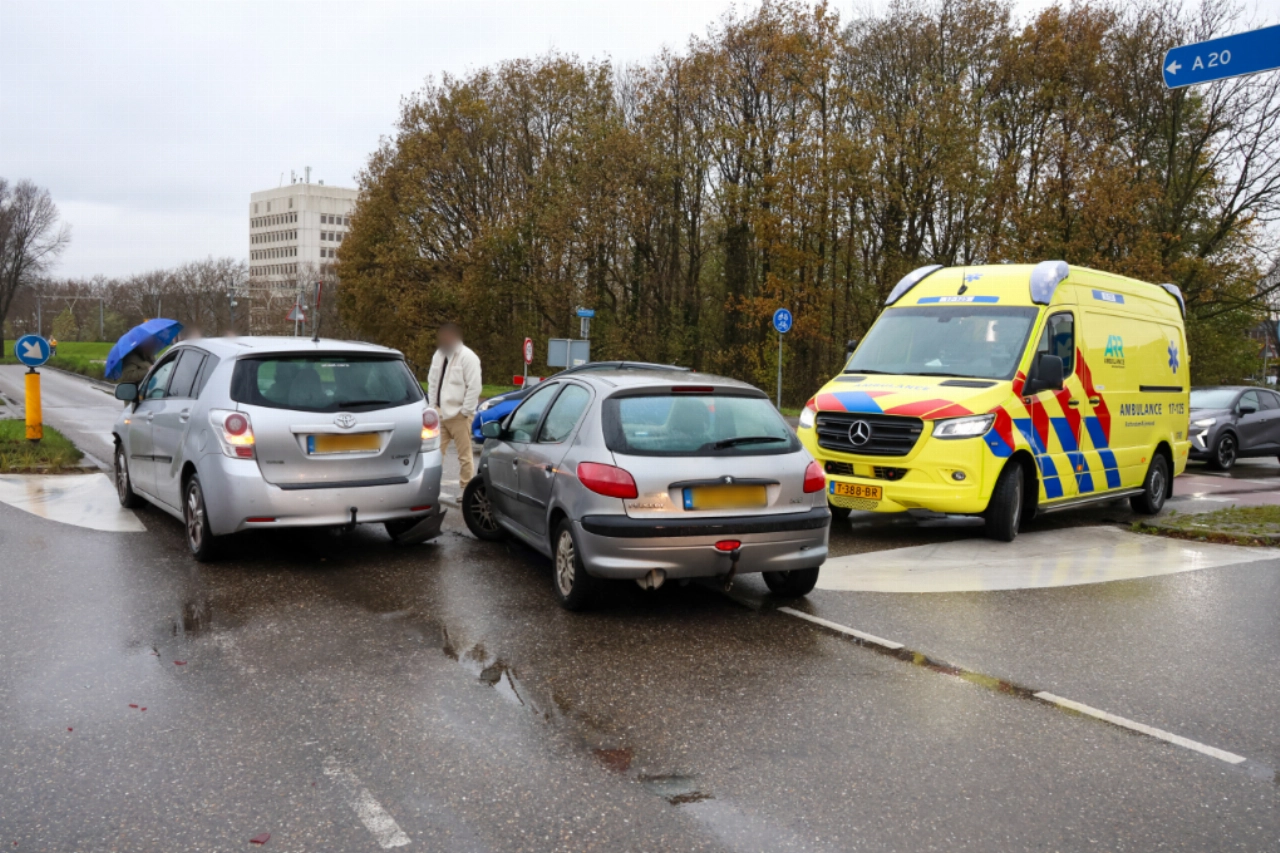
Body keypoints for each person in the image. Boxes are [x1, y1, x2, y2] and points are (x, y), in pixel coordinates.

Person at [426, 322, 482, 487]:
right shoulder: (438, 355)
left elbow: (474, 386)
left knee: (464, 457)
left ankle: (465, 489)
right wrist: (432, 406)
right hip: (439, 413)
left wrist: (465, 411)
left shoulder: (468, 357)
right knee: (435, 454)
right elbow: (432, 381)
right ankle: (431, 487)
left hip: (459, 415)